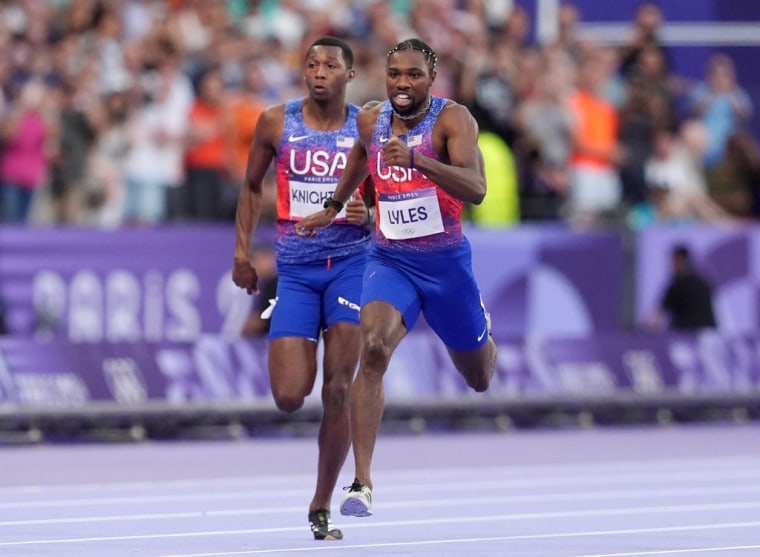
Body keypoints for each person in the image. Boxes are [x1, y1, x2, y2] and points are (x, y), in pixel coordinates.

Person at [295, 38, 498, 519]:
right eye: (394, 75)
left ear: (431, 78)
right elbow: (361, 159)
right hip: (390, 260)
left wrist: (421, 160)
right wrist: (333, 205)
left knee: (480, 377)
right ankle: (362, 481)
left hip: (446, 266)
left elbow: (478, 189)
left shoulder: (454, 120)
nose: (402, 85)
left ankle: (482, 328)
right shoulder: (370, 118)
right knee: (375, 347)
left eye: (413, 76)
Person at [231, 36, 374, 541]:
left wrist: (369, 212)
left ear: (348, 76)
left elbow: (389, 196)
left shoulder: (367, 126)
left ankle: (320, 504)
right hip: (294, 271)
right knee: (290, 395)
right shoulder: (275, 121)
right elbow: (251, 187)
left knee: (336, 390)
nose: (318, 72)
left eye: (330, 65)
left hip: (350, 267)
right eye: (311, 64)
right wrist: (242, 253)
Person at [645, 245, 717, 331]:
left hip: (686, 336)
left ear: (681, 260)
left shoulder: (677, 285)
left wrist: (641, 331)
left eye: (673, 260)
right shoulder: (703, 282)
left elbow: (657, 316)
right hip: (708, 335)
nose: (671, 264)